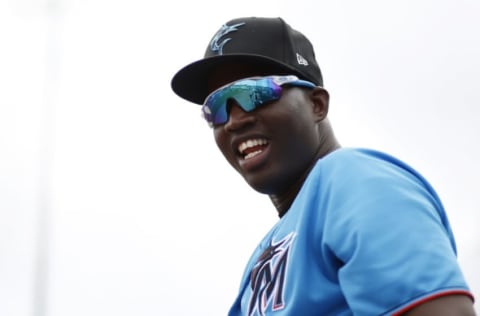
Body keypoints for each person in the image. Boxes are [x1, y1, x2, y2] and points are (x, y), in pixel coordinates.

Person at [170, 16, 475, 316]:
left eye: (256, 92)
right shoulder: (264, 253)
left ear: (317, 104)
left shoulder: (353, 180)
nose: (235, 120)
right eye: (216, 108)